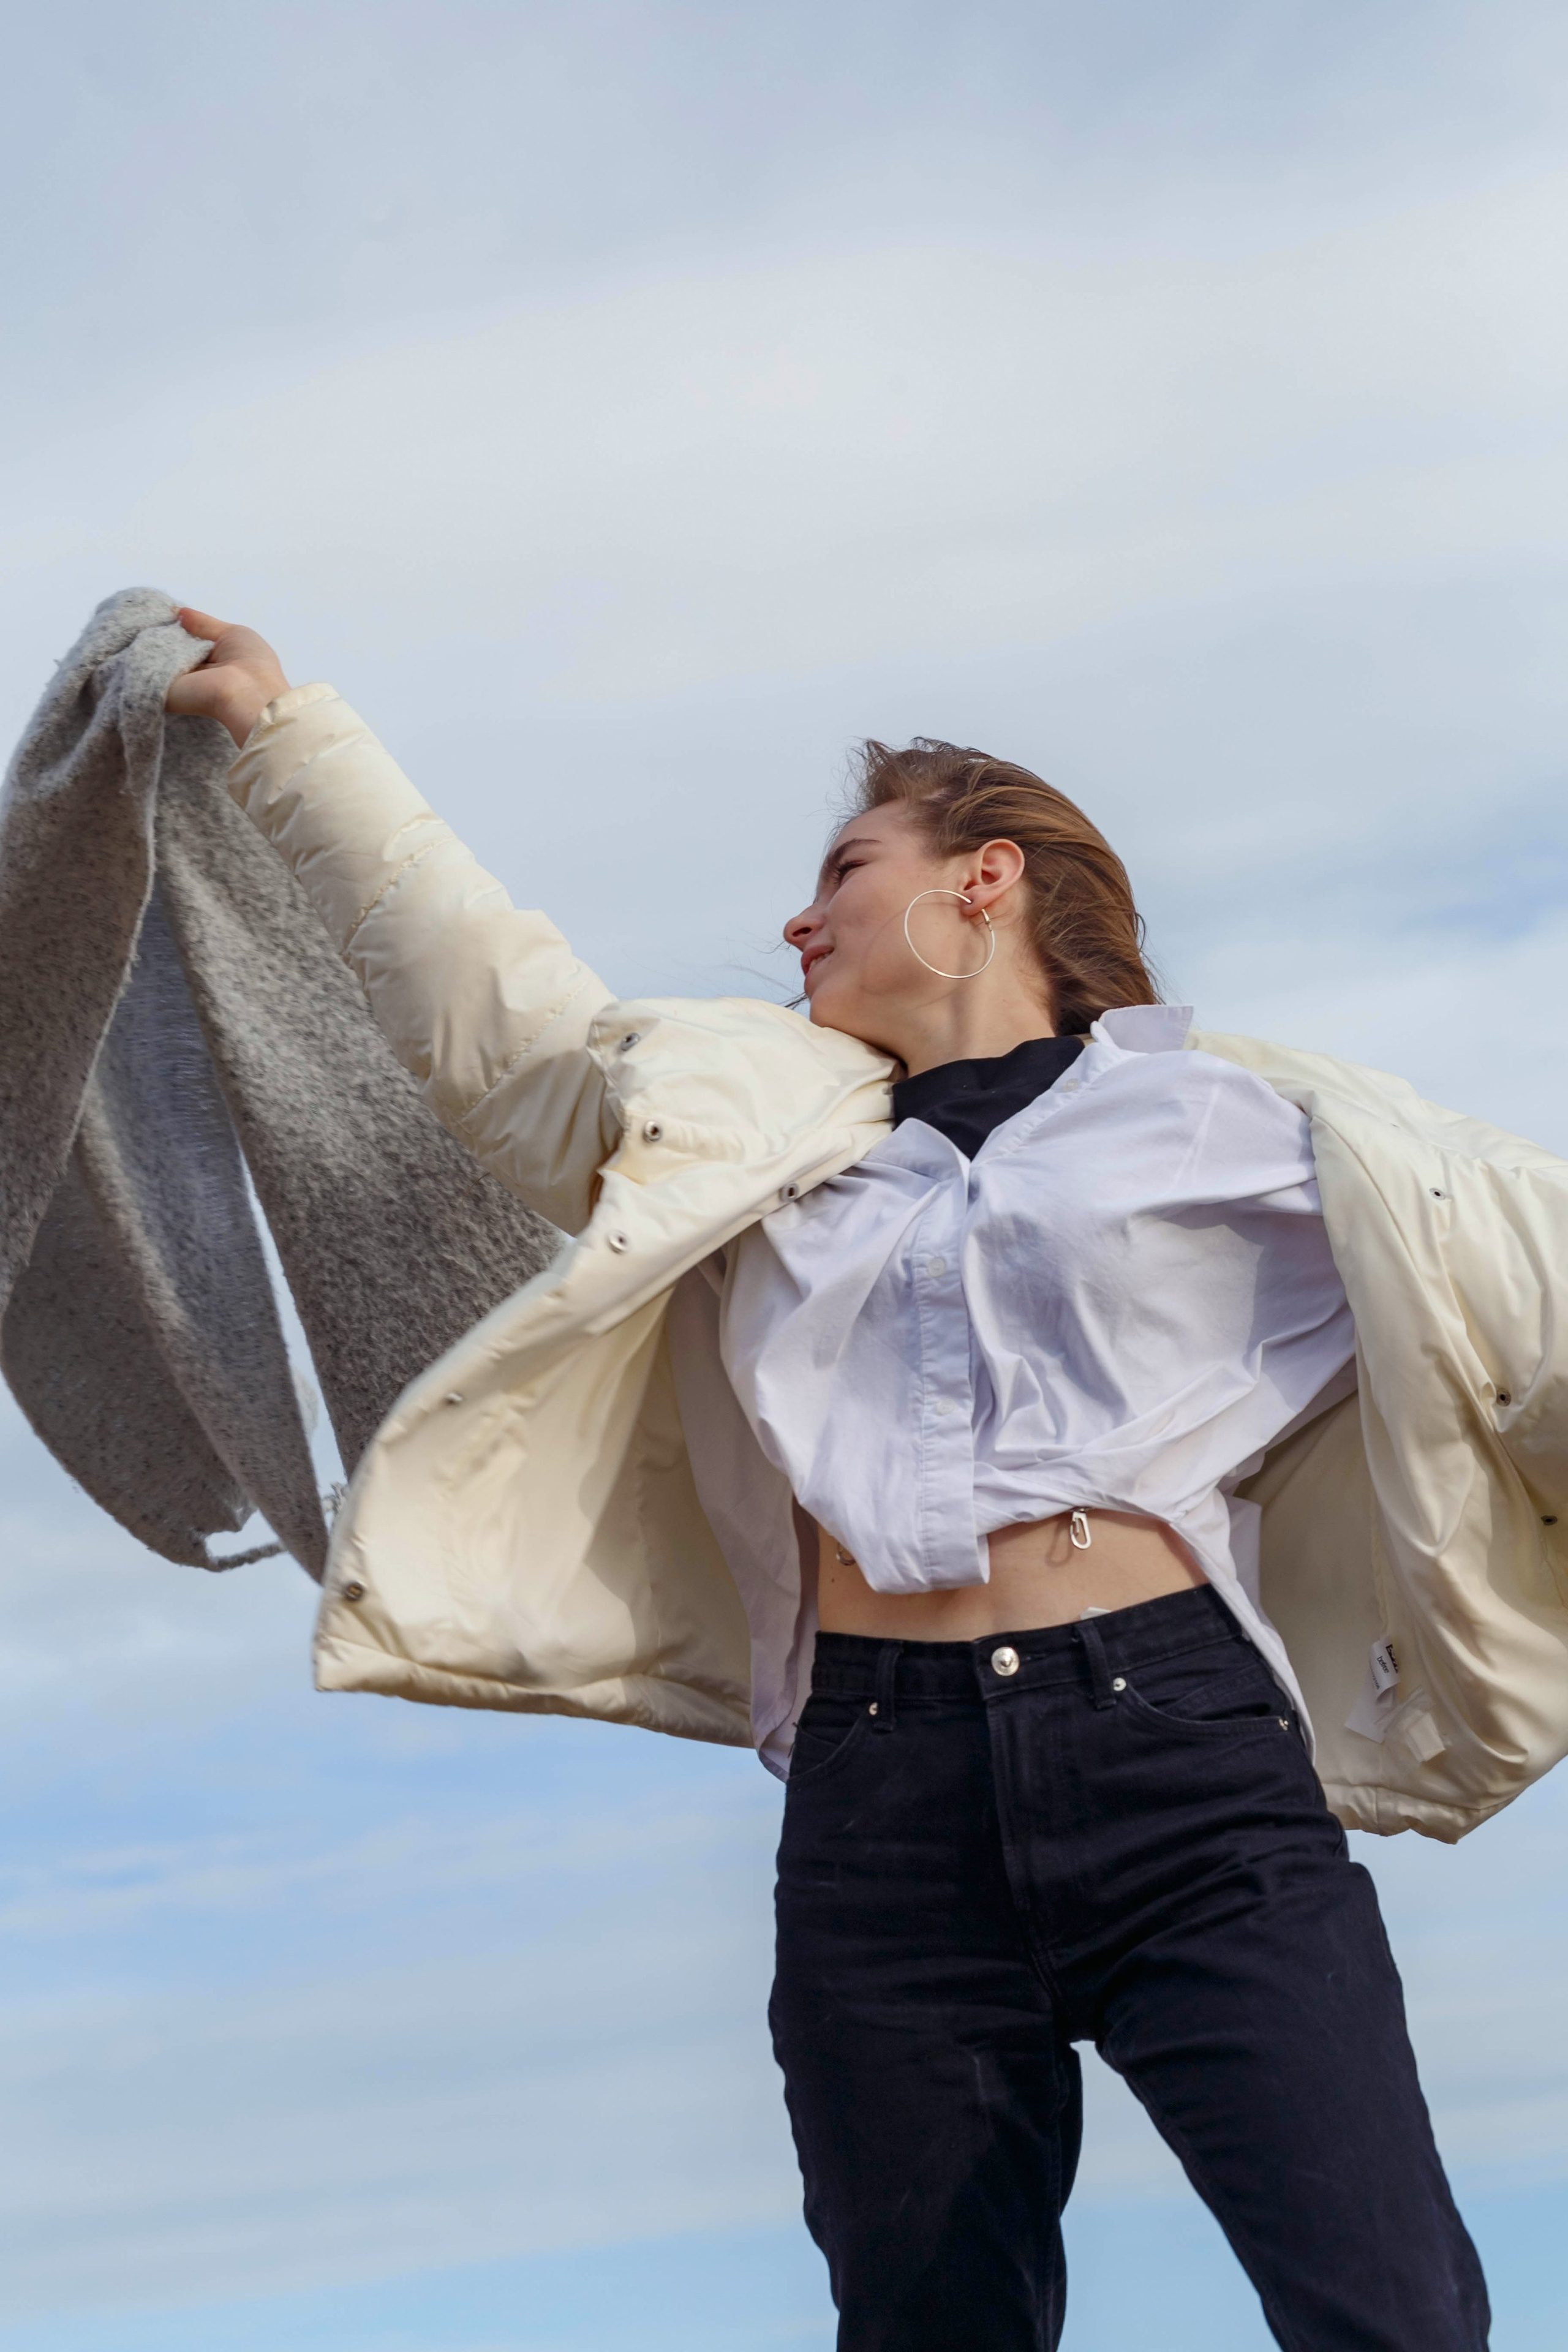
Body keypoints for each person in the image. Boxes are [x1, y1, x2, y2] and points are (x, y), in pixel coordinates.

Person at [166, 610, 1497, 2351]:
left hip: (1187, 1769)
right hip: (886, 1799)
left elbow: (1525, 1305)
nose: (799, 917)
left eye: (849, 867)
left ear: (986, 880)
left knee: (1388, 2309)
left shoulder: (1243, 1125)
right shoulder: (750, 1127)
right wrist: (285, 735)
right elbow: (490, 1006)